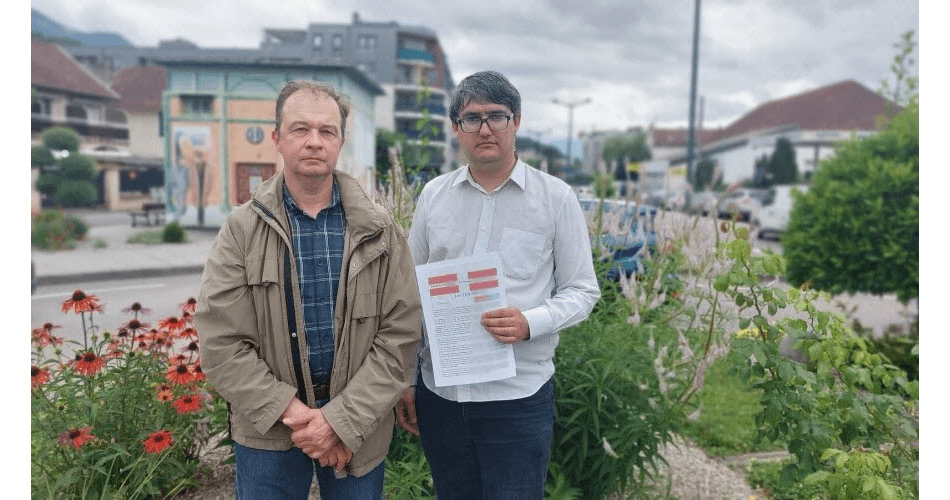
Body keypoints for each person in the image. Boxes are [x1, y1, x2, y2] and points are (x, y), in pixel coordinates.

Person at [195, 80, 421, 499]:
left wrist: (338, 421)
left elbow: (400, 336)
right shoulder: (242, 230)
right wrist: (301, 418)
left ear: (341, 142)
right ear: (277, 139)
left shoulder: (381, 230)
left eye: (326, 131)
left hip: (359, 427)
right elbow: (221, 341)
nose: (314, 142)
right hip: (268, 430)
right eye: (300, 130)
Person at [395, 70, 601, 498]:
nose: (485, 128)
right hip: (442, 395)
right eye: (472, 118)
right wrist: (407, 379)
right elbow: (410, 294)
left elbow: (583, 290)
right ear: (456, 129)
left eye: (497, 116)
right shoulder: (433, 196)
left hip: (517, 398)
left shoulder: (555, 198)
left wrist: (532, 321)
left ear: (517, 122)